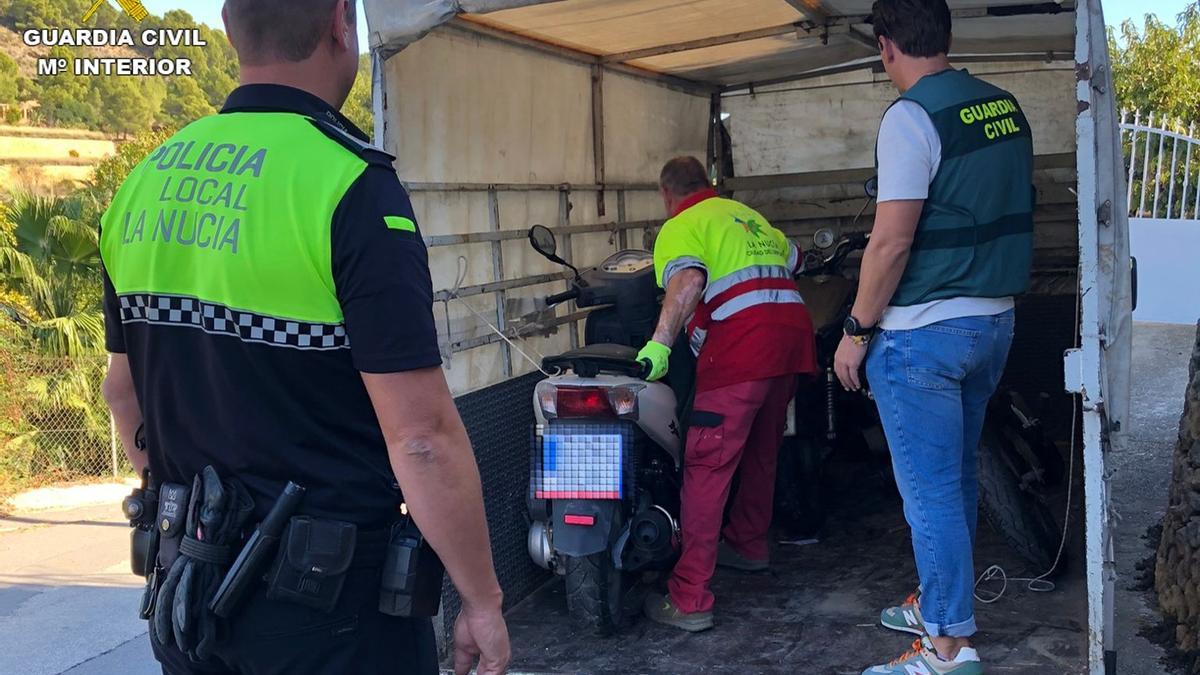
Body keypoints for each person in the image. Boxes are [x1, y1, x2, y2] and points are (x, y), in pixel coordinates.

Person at [98, 1, 510, 673]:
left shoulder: (142, 185)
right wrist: (482, 599)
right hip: (333, 616)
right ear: (341, 23)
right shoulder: (351, 185)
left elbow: (122, 392)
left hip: (188, 600)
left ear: (231, 31)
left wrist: (178, 508)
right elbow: (422, 438)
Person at [833, 1, 1034, 673]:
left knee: (930, 492)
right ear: (947, 37)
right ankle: (939, 601)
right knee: (956, 475)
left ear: (886, 47)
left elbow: (890, 243)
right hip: (994, 322)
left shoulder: (910, 117)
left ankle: (945, 645)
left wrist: (856, 330)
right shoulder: (1004, 107)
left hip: (924, 334)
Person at [637, 156, 817, 632]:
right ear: (710, 183)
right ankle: (748, 544)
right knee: (762, 450)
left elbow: (690, 280)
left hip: (740, 349)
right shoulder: (748, 217)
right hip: (791, 344)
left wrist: (660, 343)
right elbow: (797, 258)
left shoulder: (681, 226)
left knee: (708, 466)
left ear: (666, 194)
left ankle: (690, 597)